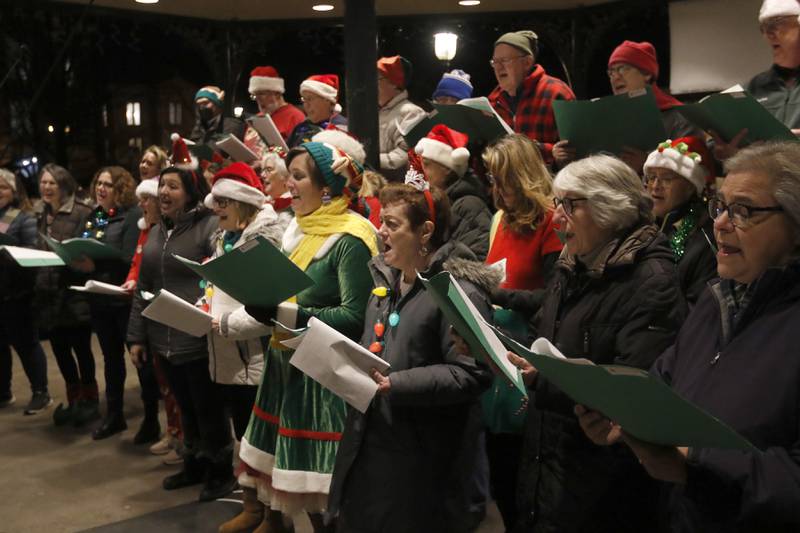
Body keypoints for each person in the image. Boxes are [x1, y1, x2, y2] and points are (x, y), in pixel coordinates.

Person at [577, 141, 800, 532]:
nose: (721, 224)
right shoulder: (715, 301)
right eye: (720, 206)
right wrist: (620, 417)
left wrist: (695, 463)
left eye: (744, 211)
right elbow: (663, 385)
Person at [507, 154, 687, 532]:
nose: (557, 218)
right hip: (551, 466)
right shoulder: (574, 261)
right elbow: (546, 335)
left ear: (611, 207)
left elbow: (633, 395)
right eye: (557, 204)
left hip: (604, 490)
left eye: (570, 205)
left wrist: (542, 380)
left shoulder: (651, 281)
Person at [328, 179, 495, 532]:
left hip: (425, 460)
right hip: (375, 445)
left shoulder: (457, 291)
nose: (380, 231)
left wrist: (396, 383)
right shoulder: (385, 280)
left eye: (392, 224)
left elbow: (473, 372)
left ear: (425, 231)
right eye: (381, 221)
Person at [232, 142, 378, 533]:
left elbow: (355, 315)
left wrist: (285, 312)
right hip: (288, 366)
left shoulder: (350, 237)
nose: (289, 184)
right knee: (302, 495)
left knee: (326, 495)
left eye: (298, 176)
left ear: (327, 187)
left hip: (323, 380)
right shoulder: (297, 228)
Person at [126, 146, 234, 502]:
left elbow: (217, 280)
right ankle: (194, 464)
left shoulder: (207, 228)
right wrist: (136, 337)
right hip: (163, 339)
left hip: (196, 337)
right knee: (185, 410)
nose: (164, 193)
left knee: (208, 409)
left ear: (189, 191)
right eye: (161, 187)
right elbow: (144, 288)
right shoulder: (158, 231)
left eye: (172, 186)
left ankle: (220, 471)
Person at [479, 134, 563, 530]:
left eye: (502, 181)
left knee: (517, 472)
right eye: (491, 181)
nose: (495, 190)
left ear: (523, 177)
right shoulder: (500, 219)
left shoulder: (551, 219)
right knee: (497, 471)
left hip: (528, 355)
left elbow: (554, 300)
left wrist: (502, 295)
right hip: (498, 353)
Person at [71, 166, 142, 440]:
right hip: (100, 299)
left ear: (120, 189)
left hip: (124, 300)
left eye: (108, 185)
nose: (101, 189)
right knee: (111, 360)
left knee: (140, 361)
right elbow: (84, 245)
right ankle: (115, 415)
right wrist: (79, 261)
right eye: (98, 183)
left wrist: (94, 262)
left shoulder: (131, 215)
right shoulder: (96, 216)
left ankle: (152, 418)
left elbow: (127, 257)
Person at [122, 175, 184, 464]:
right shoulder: (150, 233)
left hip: (176, 322)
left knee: (183, 391)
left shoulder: (175, 231)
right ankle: (174, 433)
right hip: (153, 318)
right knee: (165, 385)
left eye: (148, 199)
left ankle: (185, 441)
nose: (143, 205)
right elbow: (141, 273)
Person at [34, 164, 96, 424]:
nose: (46, 188)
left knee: (81, 349)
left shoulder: (83, 212)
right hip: (49, 297)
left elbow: (92, 248)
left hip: (74, 294)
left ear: (64, 185)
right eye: (43, 183)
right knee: (60, 350)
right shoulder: (41, 213)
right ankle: (74, 400)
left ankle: (90, 401)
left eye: (52, 183)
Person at [714, 0, 800, 159]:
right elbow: (721, 150)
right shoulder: (750, 90)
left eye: (777, 24)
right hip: (763, 180)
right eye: (764, 27)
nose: (768, 34)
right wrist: (725, 154)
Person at [643, 137, 718, 305]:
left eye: (667, 178)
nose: (655, 186)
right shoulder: (640, 223)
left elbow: (699, 309)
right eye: (651, 177)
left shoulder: (707, 238)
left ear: (691, 186)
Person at [0, 169, 50, 412]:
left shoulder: (19, 216)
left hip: (17, 293)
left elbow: (32, 252)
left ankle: (41, 392)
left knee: (26, 344)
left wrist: (6, 253)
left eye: (3, 187)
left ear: (14, 191)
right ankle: (3, 391)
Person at [488, 30, 575, 164]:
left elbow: (573, 148)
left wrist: (540, 151)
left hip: (548, 182)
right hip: (505, 183)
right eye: (495, 61)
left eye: (505, 60)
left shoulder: (556, 92)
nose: (498, 67)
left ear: (527, 62)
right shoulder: (493, 101)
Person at [415, 124, 492, 260]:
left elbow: (474, 260)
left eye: (426, 164)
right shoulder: (436, 201)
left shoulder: (470, 205)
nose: (421, 171)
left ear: (448, 169)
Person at [377, 55, 426, 180]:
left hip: (396, 191)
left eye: (377, 79)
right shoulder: (375, 112)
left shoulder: (412, 113)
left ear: (394, 83)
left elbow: (403, 158)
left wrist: (362, 158)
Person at [245, 66, 306, 145]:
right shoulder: (257, 118)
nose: (257, 99)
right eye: (255, 95)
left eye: (261, 94)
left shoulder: (295, 117)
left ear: (277, 93)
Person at [287, 75, 347, 148]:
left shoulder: (342, 128)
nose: (306, 105)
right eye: (304, 99)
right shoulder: (300, 128)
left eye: (309, 99)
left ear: (327, 100)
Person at [259, 147, 294, 224]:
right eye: (262, 170)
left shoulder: (294, 204)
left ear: (284, 175)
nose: (263, 175)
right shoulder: (261, 203)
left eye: (269, 170)